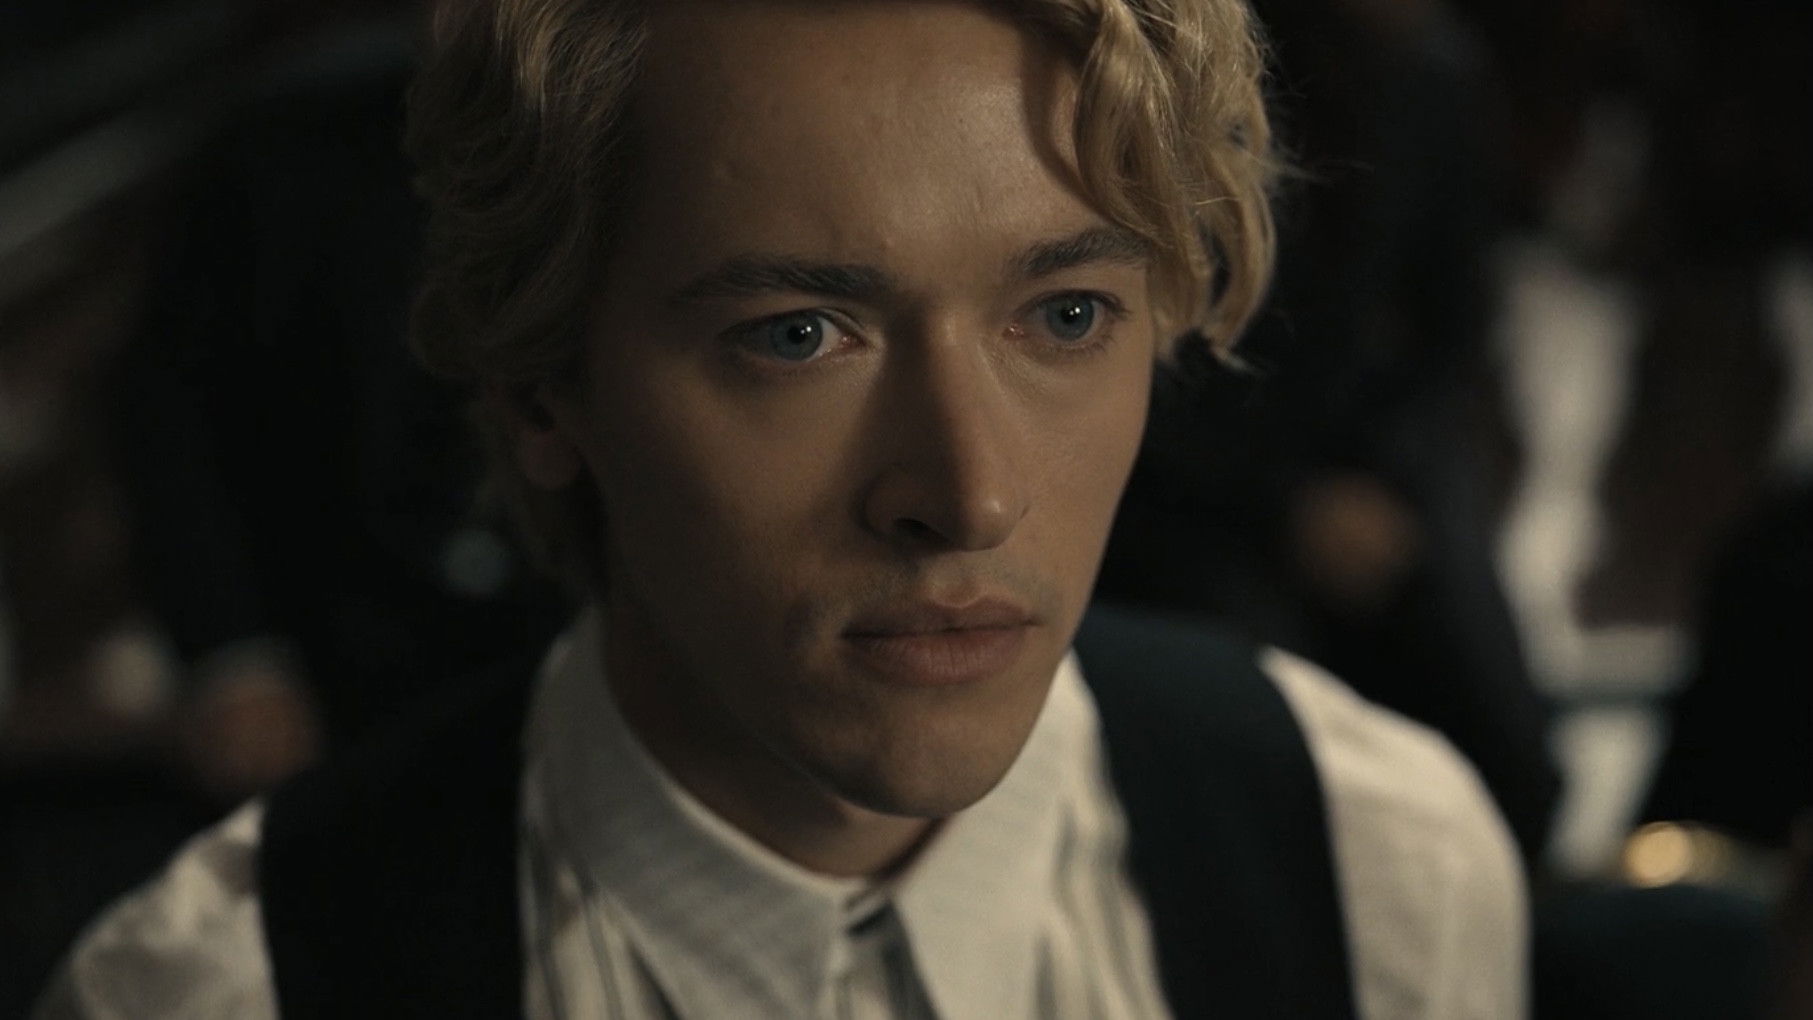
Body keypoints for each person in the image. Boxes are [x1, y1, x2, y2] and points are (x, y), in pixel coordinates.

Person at [36, 1, 1525, 1017]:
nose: (969, 494)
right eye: (798, 335)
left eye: (1066, 314)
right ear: (545, 389)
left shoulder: (1375, 865)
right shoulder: (219, 989)